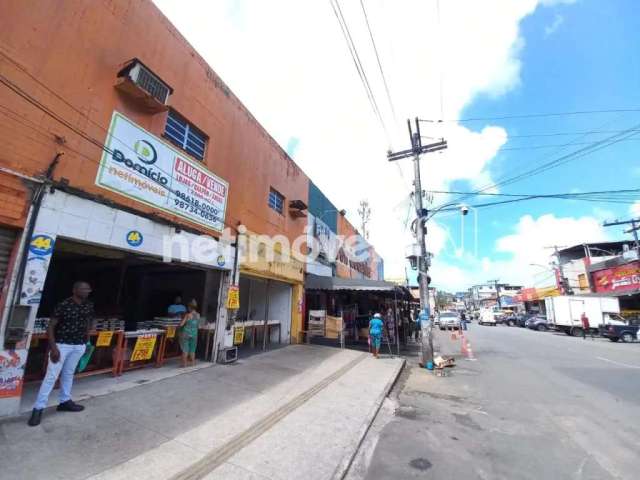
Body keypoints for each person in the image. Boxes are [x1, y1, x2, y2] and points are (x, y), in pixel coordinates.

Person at [28, 281, 93, 427]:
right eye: (84, 288)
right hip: (62, 346)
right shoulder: (63, 305)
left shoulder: (88, 305)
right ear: (75, 290)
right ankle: (38, 409)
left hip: (79, 346)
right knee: (51, 376)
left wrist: (86, 341)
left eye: (88, 289)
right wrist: (54, 348)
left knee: (68, 374)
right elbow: (50, 327)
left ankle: (65, 401)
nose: (87, 291)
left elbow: (88, 322)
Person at [178, 299, 200, 367]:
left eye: (188, 307)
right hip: (194, 334)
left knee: (185, 349)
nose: (188, 308)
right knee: (192, 349)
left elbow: (181, 324)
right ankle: (193, 364)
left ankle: (184, 364)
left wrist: (179, 324)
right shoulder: (198, 315)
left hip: (186, 334)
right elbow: (198, 325)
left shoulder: (188, 315)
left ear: (190, 307)